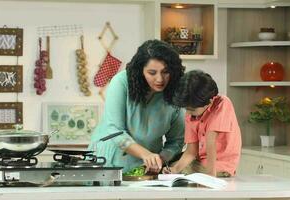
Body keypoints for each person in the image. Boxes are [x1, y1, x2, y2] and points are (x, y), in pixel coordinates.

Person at [88, 40, 186, 173]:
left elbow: (176, 142)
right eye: (152, 73)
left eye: (165, 72)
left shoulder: (175, 92)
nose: (160, 79)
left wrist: (160, 159)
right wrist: (146, 154)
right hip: (108, 162)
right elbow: (115, 131)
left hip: (147, 168)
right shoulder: (121, 82)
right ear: (141, 71)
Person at [163, 70, 241, 177]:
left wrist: (210, 177)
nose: (188, 112)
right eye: (186, 109)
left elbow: (211, 142)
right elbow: (191, 151)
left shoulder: (223, 103)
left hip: (219, 165)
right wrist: (175, 169)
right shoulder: (191, 112)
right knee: (170, 167)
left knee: (184, 173)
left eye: (191, 109)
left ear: (209, 102)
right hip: (200, 162)